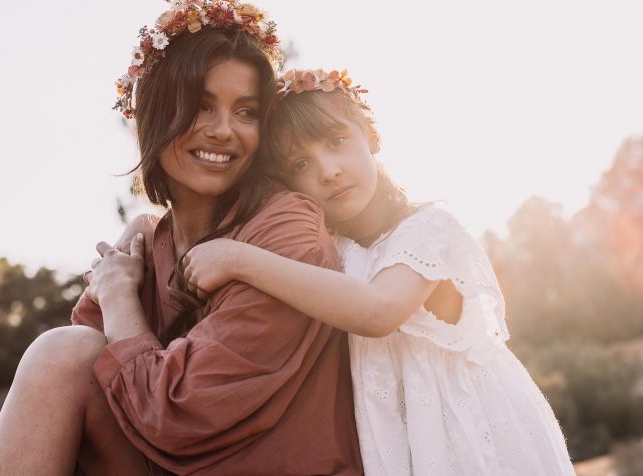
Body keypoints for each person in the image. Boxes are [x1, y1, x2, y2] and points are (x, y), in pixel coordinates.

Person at [0, 0, 362, 475]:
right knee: (63, 353)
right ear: (157, 114)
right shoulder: (148, 243)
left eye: (246, 113)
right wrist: (133, 262)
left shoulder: (286, 232)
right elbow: (88, 373)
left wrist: (120, 295)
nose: (224, 131)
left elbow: (179, 414)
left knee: (66, 353)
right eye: (201, 107)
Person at [182, 68, 576, 475]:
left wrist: (239, 259)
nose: (328, 170)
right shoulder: (330, 253)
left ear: (370, 137)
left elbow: (378, 312)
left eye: (337, 142)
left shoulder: (427, 229)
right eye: (301, 163)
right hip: (392, 448)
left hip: (474, 440)